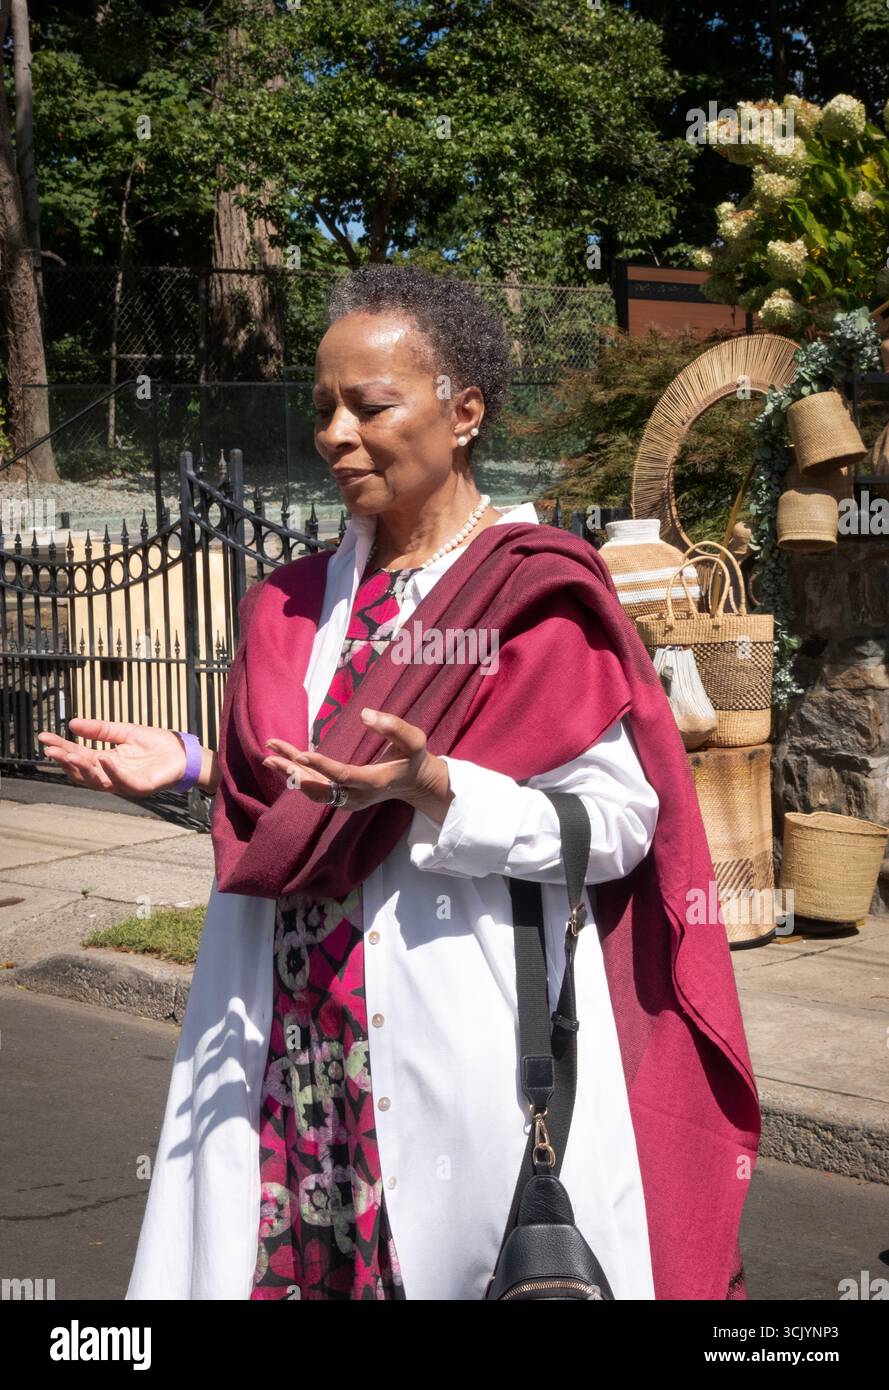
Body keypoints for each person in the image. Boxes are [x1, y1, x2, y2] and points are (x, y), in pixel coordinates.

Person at [39, 264, 760, 1302]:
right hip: (289, 1050)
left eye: (369, 406)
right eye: (323, 406)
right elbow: (304, 809)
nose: (336, 433)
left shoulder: (533, 591)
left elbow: (614, 827)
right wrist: (195, 763)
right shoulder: (290, 606)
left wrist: (440, 790)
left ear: (463, 411)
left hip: (453, 1040)